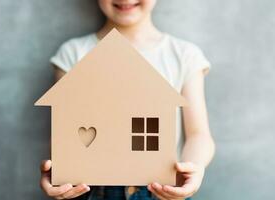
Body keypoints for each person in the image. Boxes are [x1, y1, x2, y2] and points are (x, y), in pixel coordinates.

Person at [40, 0, 215, 199]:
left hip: (162, 189)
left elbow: (198, 135)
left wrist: (193, 168)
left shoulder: (184, 55)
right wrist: (61, 171)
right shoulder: (73, 53)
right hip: (90, 189)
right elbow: (66, 132)